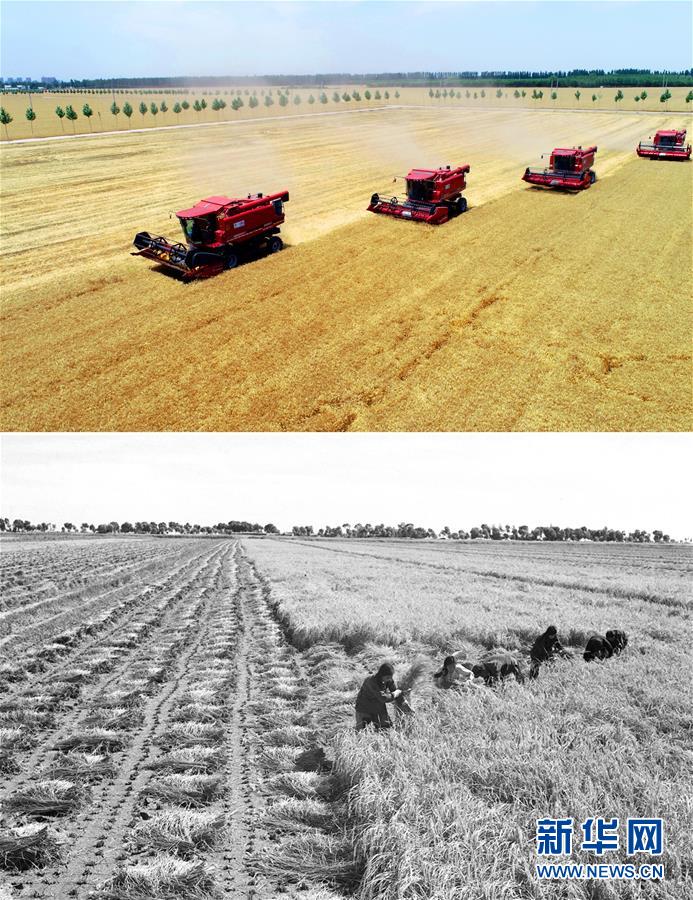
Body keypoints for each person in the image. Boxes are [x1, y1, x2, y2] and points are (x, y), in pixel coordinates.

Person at [354, 663, 404, 730]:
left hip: (378, 707)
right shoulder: (371, 681)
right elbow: (383, 698)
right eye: (387, 678)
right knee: (360, 731)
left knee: (386, 730)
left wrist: (404, 703)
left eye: (391, 677)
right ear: (381, 675)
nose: (390, 679)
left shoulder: (388, 679)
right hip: (364, 708)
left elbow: (394, 690)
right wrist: (395, 694)